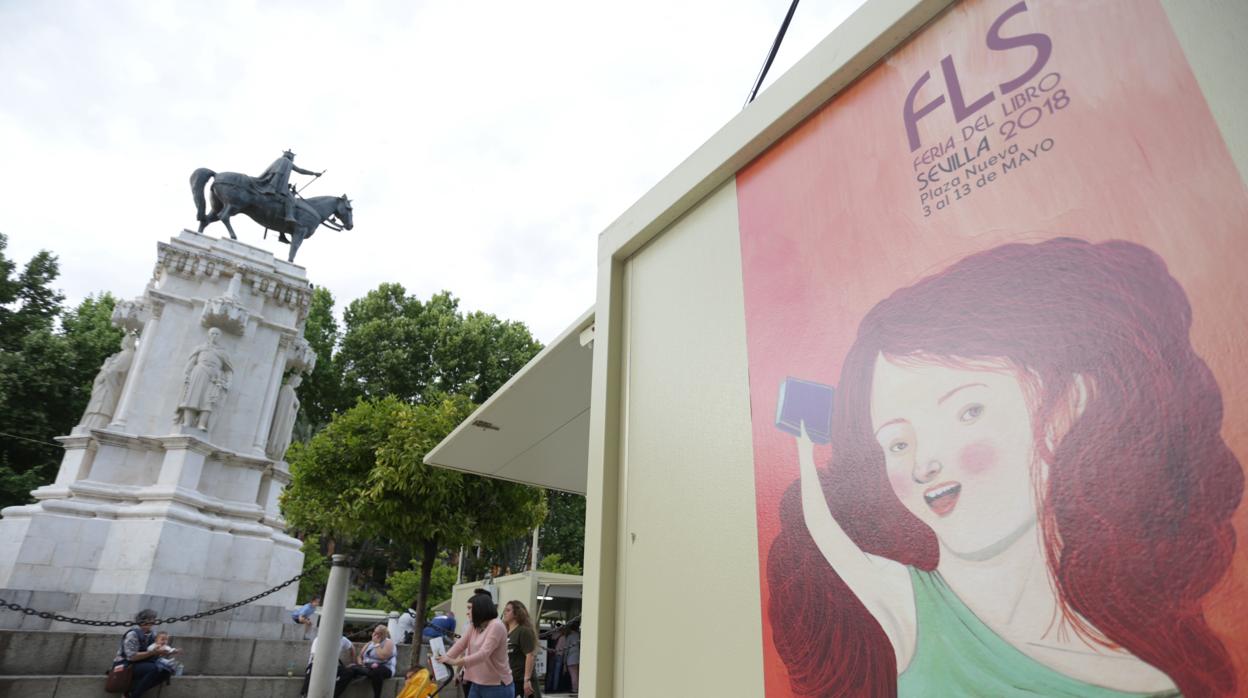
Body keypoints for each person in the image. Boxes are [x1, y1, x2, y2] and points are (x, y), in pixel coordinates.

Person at [769, 238, 1243, 697]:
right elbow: (823, 531)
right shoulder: (905, 606)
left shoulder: (1150, 685)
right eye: (896, 443)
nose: (924, 464)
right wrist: (804, 449)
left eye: (968, 412)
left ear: (1070, 406)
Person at [437, 591, 513, 698]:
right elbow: (460, 645)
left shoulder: (496, 626)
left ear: (480, 609)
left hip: (496, 685)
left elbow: (483, 654)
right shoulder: (474, 626)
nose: (467, 612)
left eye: (470, 608)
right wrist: (444, 659)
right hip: (477, 683)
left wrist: (455, 662)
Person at [110, 609, 174, 697]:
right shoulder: (133, 634)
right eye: (149, 619)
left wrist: (166, 652)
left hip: (143, 663)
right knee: (154, 668)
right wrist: (152, 653)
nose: (152, 621)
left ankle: (133, 692)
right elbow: (131, 657)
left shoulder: (153, 635)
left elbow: (155, 651)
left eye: (153, 619)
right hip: (125, 664)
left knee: (166, 671)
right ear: (142, 620)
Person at [255, 149, 322, 225]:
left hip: (268, 182)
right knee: (290, 199)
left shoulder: (278, 160)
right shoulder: (288, 162)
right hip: (277, 186)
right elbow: (300, 170)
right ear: (291, 157)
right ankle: (289, 216)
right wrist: (314, 173)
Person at [336, 625, 396, 698]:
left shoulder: (388, 642)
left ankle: (377, 696)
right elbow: (360, 656)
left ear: (383, 634)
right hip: (367, 667)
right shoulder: (370, 643)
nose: (375, 634)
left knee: (376, 671)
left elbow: (383, 657)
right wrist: (360, 662)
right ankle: (335, 694)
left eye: (378, 633)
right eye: (374, 632)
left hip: (384, 668)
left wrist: (377, 644)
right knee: (349, 671)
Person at [503, 600, 541, 698]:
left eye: (508, 610)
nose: (504, 613)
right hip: (510, 680)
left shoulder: (523, 631)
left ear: (516, 614)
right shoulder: (506, 632)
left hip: (522, 681)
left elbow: (530, 655)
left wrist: (527, 680)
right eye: (504, 610)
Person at [562, 620, 580, 695]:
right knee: (577, 674)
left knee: (573, 674)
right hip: (578, 657)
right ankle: (578, 687)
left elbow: (566, 649)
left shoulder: (569, 637)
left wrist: (564, 661)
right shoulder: (579, 635)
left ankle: (574, 689)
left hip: (571, 658)